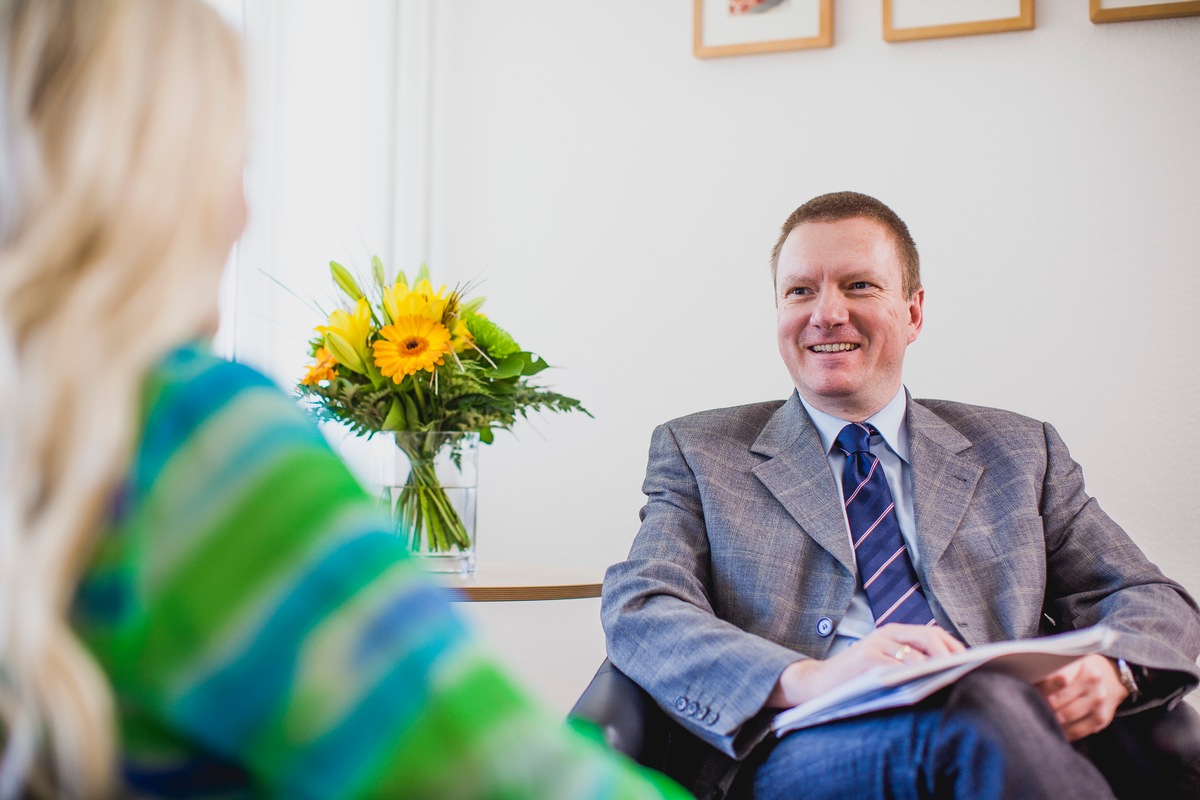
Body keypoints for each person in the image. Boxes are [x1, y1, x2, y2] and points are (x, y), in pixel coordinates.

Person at [0, 1, 690, 798]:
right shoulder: (189, 437)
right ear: (150, 178)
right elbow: (510, 781)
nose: (243, 212)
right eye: (233, 164)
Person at [601, 190, 1200, 800]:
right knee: (974, 714)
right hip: (804, 748)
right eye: (800, 290)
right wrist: (813, 679)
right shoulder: (700, 451)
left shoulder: (1020, 450)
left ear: (914, 313)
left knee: (985, 707)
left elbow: (1146, 594)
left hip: (1012, 729)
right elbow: (642, 605)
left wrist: (1115, 670)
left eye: (859, 285)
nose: (826, 313)